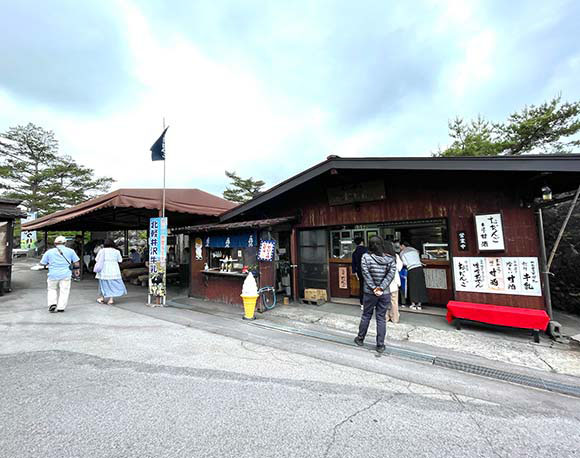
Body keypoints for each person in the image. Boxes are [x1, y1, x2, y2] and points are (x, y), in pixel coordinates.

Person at [354, 235, 396, 353]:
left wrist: (373, 288)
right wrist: (381, 288)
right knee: (381, 318)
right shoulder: (390, 258)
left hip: (369, 293)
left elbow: (365, 273)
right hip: (384, 293)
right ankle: (380, 345)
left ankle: (360, 338)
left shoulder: (366, 257)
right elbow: (390, 275)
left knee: (366, 315)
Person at [39, 235, 80, 313]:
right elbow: (76, 263)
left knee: (52, 289)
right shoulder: (71, 251)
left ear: (55, 243)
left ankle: (52, 304)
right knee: (64, 290)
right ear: (65, 243)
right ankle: (61, 307)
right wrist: (77, 270)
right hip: (66, 274)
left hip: (53, 274)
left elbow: (42, 263)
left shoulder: (49, 252)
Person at [95, 238, 127, 305]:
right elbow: (120, 260)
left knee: (103, 284)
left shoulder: (102, 251)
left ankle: (102, 298)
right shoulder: (116, 251)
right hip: (114, 269)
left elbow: (96, 259)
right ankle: (111, 299)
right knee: (113, 284)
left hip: (104, 269)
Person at [400, 241, 429, 310]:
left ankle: (413, 304)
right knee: (420, 286)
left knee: (412, 286)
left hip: (411, 269)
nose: (400, 248)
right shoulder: (414, 250)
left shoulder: (402, 253)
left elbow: (405, 263)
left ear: (403, 246)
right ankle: (419, 304)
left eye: (400, 246)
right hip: (419, 268)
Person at [384, 241, 403, 323]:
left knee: (383, 302)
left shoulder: (380, 256)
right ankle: (395, 318)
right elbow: (399, 268)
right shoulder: (395, 256)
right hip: (393, 282)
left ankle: (385, 317)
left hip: (383, 283)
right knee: (394, 302)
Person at [351, 237, 368, 307]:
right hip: (367, 271)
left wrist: (355, 272)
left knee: (361, 286)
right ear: (362, 242)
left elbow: (353, 263)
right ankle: (371, 303)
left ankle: (362, 303)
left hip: (359, 271)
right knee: (369, 286)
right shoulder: (366, 250)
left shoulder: (354, 252)